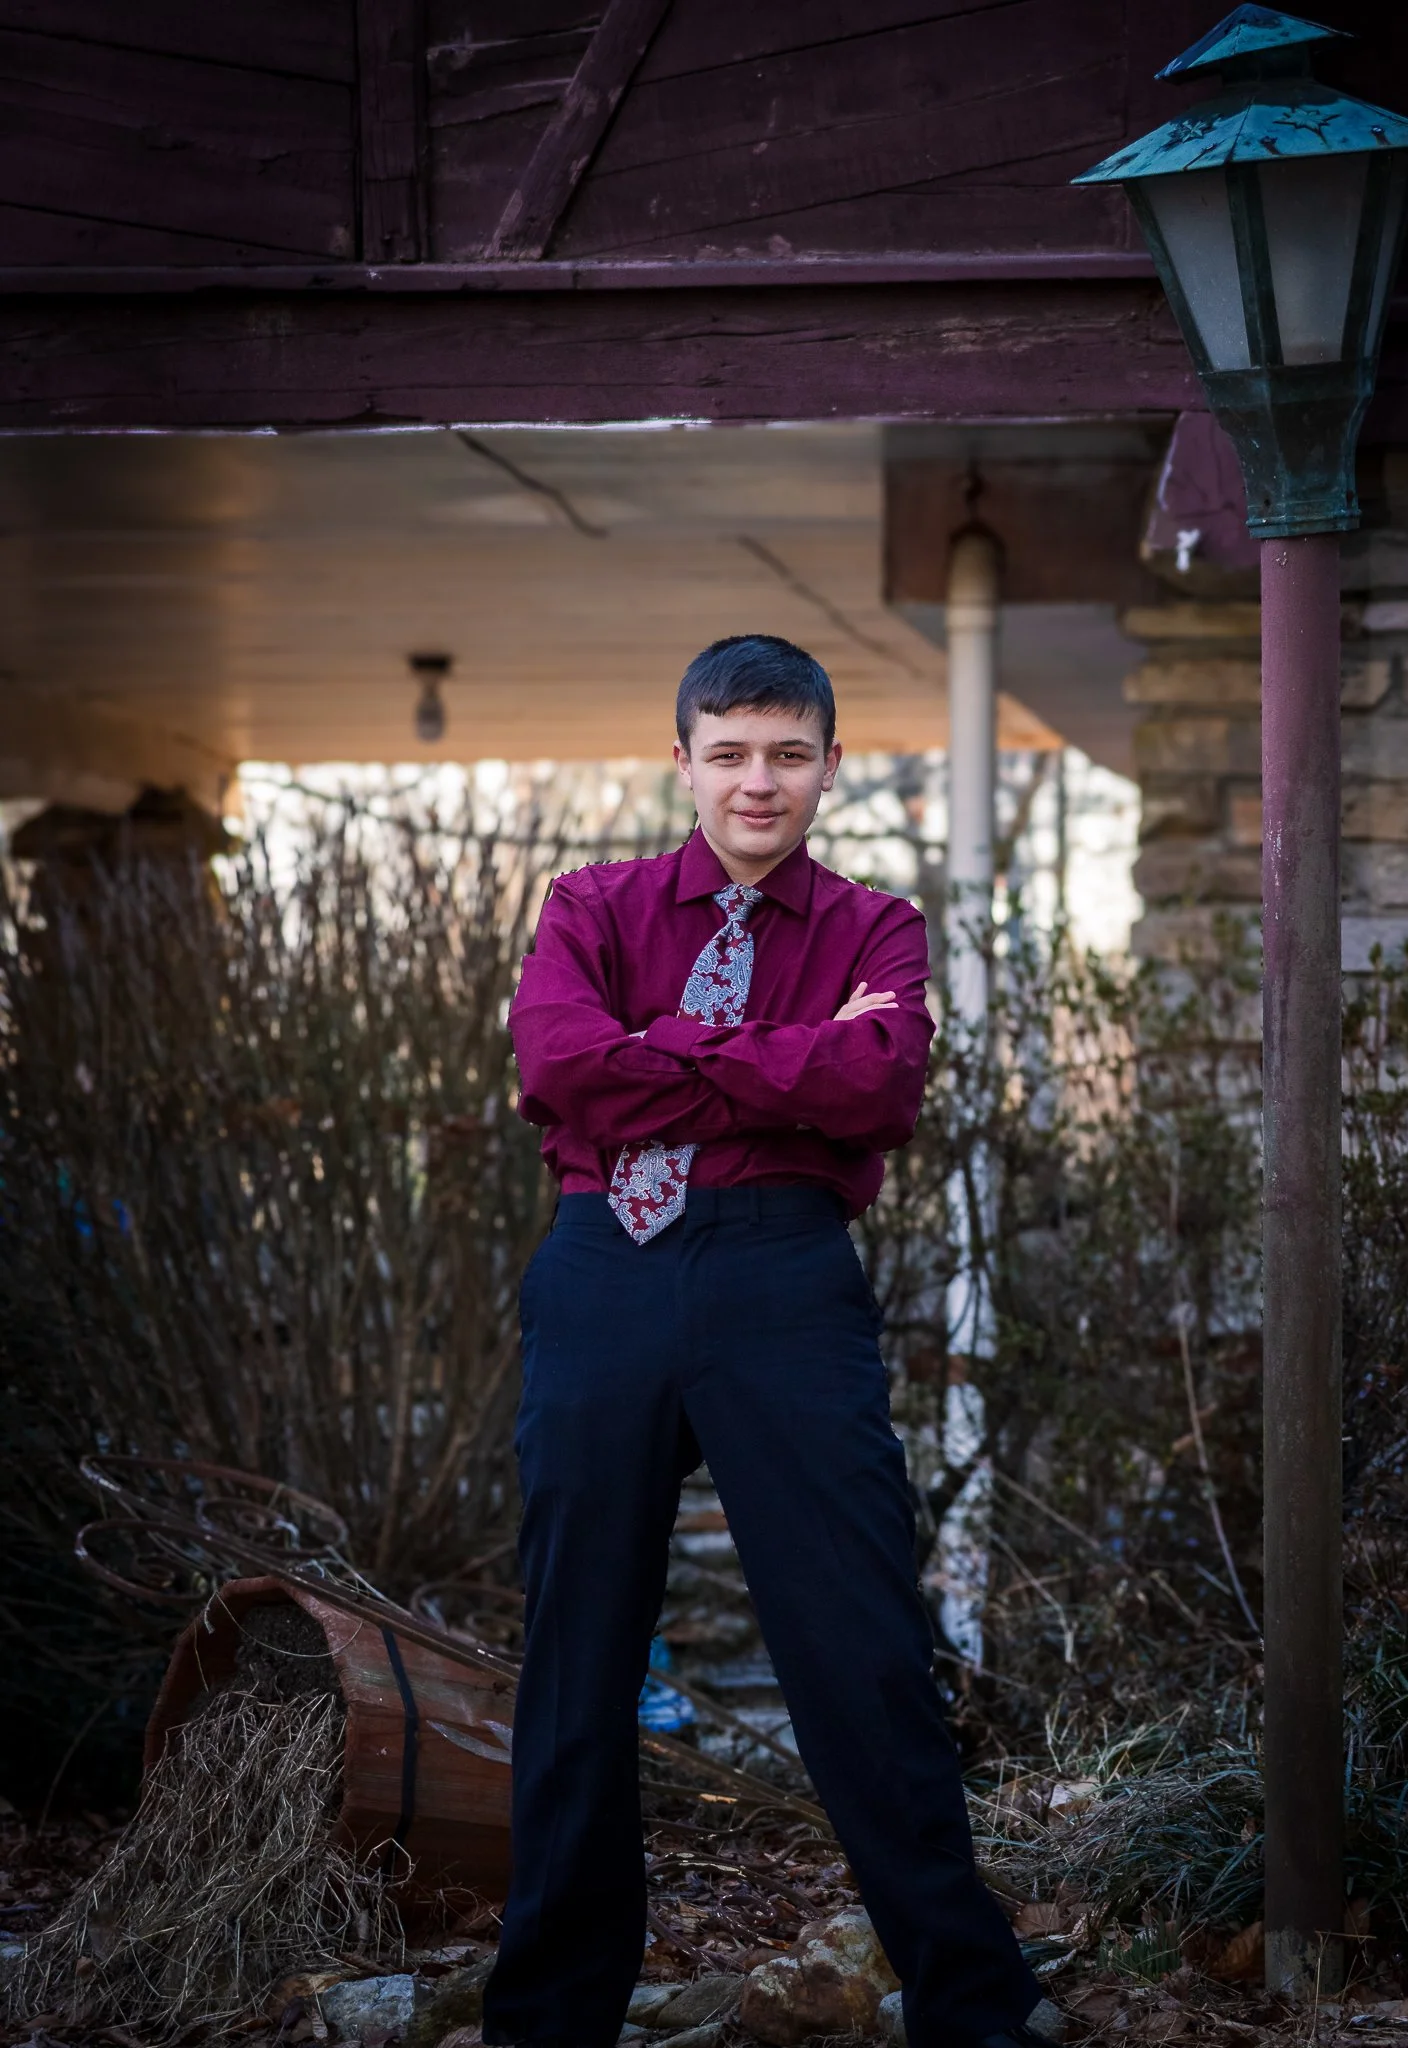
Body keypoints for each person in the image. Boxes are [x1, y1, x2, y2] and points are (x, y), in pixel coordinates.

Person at [483, 635, 1049, 2048]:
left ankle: (968, 2000)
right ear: (680, 761)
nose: (757, 781)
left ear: (829, 767)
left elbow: (874, 1087)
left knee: (859, 1644)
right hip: (603, 1268)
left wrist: (657, 1056)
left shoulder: (875, 932)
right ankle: (550, 2012)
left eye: (786, 754)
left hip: (784, 1281)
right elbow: (557, 1062)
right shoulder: (592, 906)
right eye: (728, 752)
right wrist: (767, 1066)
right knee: (577, 1654)